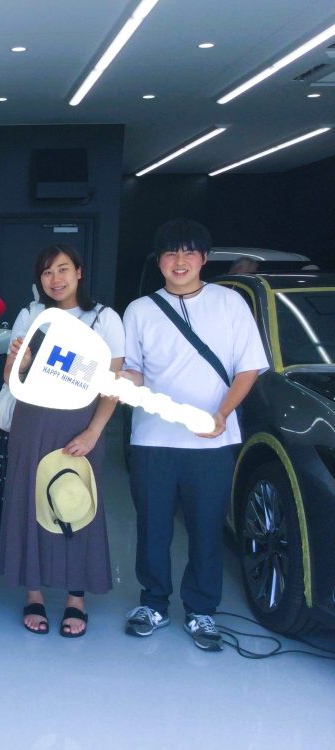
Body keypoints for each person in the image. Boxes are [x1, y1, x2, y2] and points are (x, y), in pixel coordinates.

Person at [121, 218, 267, 650]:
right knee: (152, 527)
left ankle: (201, 610)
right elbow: (134, 369)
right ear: (159, 262)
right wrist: (119, 381)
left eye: (189, 252)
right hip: (152, 440)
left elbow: (248, 368)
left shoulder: (230, 303)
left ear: (204, 258)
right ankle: (153, 604)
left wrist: (222, 413)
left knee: (206, 528)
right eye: (171, 252)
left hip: (211, 441)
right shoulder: (140, 310)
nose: (179, 260)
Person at [0, 244, 124, 637]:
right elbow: (10, 379)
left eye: (63, 269)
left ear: (79, 272)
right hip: (32, 422)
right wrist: (19, 360)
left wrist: (94, 431)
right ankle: (33, 593)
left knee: (76, 502)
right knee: (29, 503)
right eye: (47, 272)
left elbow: (113, 384)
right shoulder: (31, 315)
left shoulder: (103, 318)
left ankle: (76, 598)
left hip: (80, 424)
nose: (55, 279)